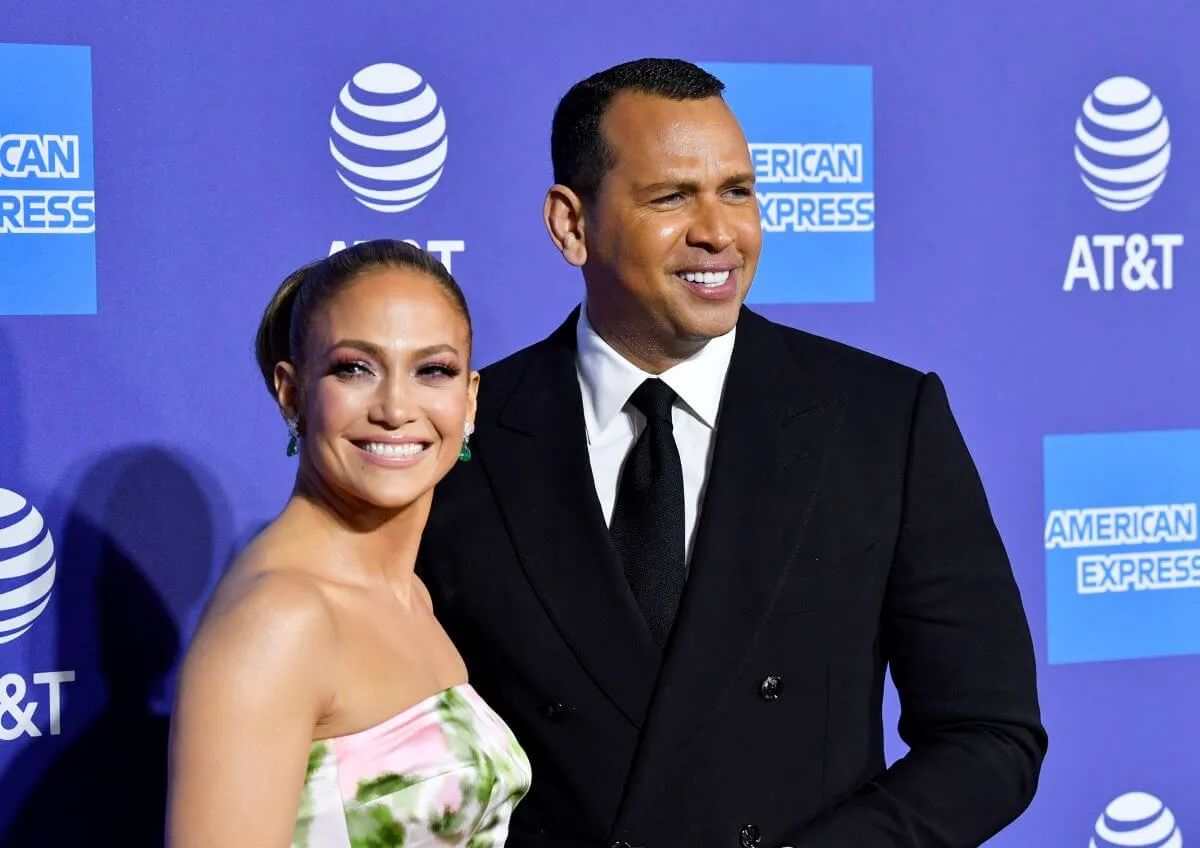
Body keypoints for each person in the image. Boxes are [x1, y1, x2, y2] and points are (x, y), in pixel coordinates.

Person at [416, 59, 1046, 847]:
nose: (720, 232)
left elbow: (990, 735)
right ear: (571, 225)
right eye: (671, 197)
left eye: (738, 191)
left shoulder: (883, 421)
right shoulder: (458, 437)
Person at [167, 240, 530, 848]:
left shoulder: (408, 593)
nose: (394, 407)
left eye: (431, 371)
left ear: (468, 400)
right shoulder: (279, 621)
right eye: (354, 368)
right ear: (290, 392)